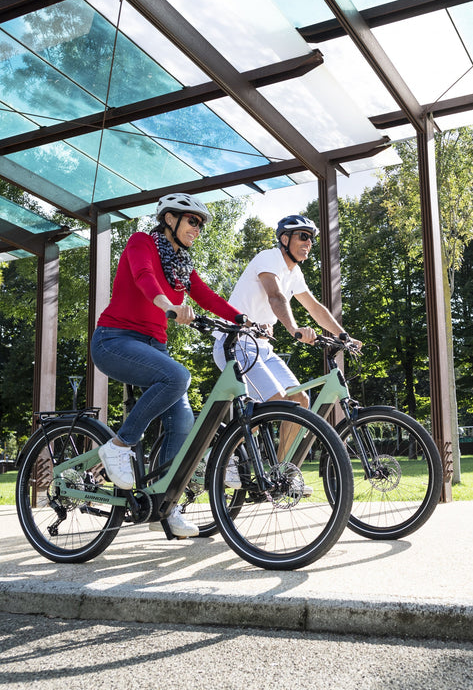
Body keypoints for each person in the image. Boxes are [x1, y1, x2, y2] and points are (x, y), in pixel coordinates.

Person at [92, 192, 245, 538]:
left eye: (201, 224)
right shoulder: (141, 242)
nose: (198, 229)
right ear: (169, 219)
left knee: (183, 420)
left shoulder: (181, 267)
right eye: (193, 220)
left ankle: (167, 503)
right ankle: (118, 447)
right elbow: (145, 277)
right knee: (179, 376)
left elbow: (206, 296)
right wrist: (169, 307)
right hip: (114, 340)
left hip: (152, 347)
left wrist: (242, 319)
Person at [214, 214, 361, 484]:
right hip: (235, 345)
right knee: (276, 403)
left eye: (311, 238)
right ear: (285, 239)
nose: (308, 243)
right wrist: (294, 329)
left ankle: (280, 473)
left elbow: (315, 307)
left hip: (261, 348)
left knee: (300, 402)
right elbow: (275, 296)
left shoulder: (295, 273)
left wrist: (343, 336)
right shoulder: (269, 258)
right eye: (302, 236)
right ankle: (228, 460)